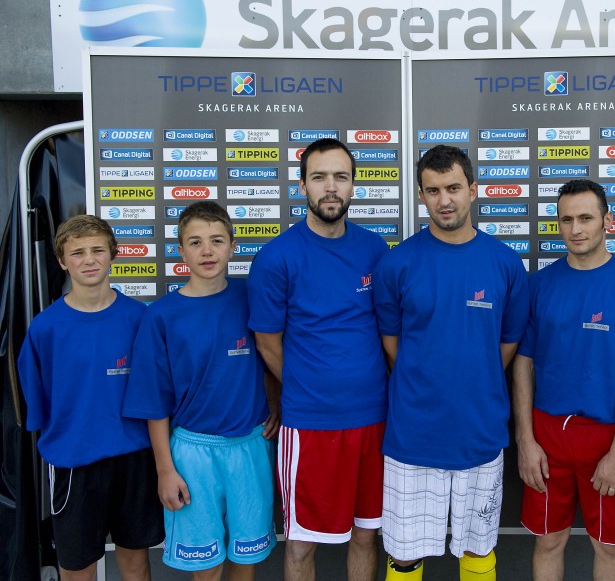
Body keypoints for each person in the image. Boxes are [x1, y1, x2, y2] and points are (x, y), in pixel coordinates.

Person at [372, 144, 529, 581]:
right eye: (433, 190)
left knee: (477, 550)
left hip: (479, 431)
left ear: (473, 190)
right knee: (404, 555)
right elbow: (392, 343)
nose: (445, 200)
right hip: (413, 434)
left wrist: (473, 375)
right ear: (421, 195)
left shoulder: (504, 262)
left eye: (454, 188)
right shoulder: (397, 262)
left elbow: (507, 344)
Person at [511, 179, 615, 581]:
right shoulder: (539, 284)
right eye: (566, 220)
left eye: (585, 218)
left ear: (607, 221)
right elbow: (523, 364)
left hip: (607, 436)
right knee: (548, 540)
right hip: (547, 433)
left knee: (608, 545)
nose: (575, 229)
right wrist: (525, 440)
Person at [247, 138, 389, 581]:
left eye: (340, 177)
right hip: (310, 424)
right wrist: (310, 386)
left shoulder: (375, 249)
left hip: (375, 420)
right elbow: (267, 343)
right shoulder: (277, 257)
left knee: (366, 535)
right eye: (319, 177)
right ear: (302, 185)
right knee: (302, 543)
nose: (331, 187)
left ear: (353, 186)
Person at [123, 201, 278, 581]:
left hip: (250, 447)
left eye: (216, 240)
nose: (207, 251)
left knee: (245, 558)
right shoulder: (161, 315)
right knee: (205, 566)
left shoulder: (251, 297)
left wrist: (275, 403)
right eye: (195, 242)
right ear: (180, 251)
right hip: (192, 454)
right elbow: (153, 400)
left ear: (233, 246)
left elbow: (270, 354)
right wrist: (165, 470)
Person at [18, 214, 163, 581]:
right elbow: (37, 402)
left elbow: (157, 391)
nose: (89, 260)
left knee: (135, 561)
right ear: (62, 261)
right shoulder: (45, 327)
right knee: (77, 567)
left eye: (97, 250)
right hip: (74, 463)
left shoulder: (139, 318)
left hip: (134, 459)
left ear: (113, 254)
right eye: (77, 252)